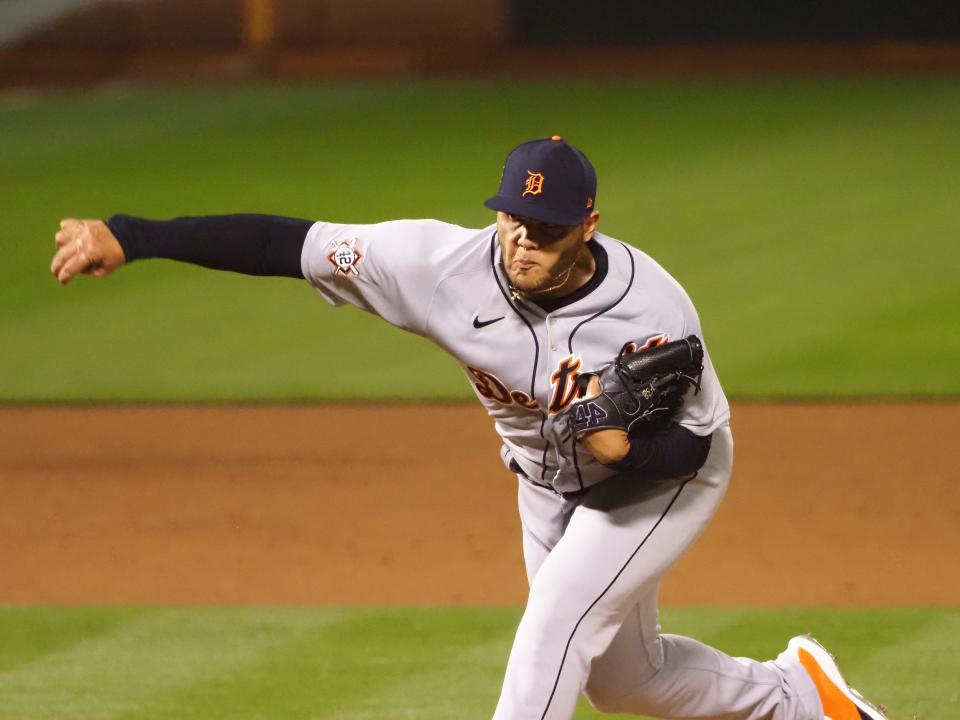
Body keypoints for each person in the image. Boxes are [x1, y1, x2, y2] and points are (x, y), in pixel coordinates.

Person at [51, 136, 886, 720]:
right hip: (546, 487)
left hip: (661, 484)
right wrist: (132, 236)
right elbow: (284, 242)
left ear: (588, 227)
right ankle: (800, 699)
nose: (524, 241)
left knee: (557, 617)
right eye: (512, 220)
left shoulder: (651, 306)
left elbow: (695, 444)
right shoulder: (435, 267)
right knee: (626, 683)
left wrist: (626, 444)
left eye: (548, 227)